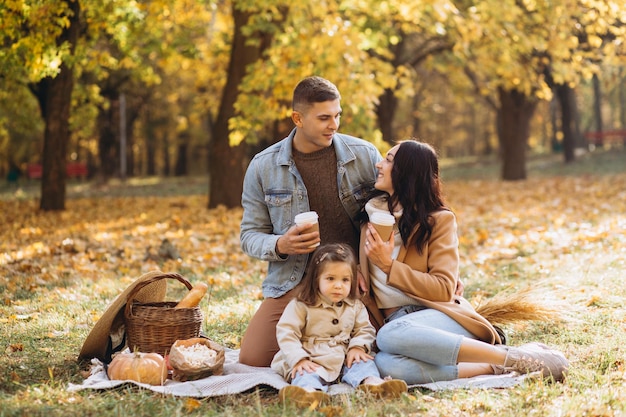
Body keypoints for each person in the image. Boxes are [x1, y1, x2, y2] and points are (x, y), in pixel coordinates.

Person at [359, 139, 569, 385]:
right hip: (397, 325)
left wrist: (388, 266)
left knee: (388, 337)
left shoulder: (439, 221)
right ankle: (492, 367)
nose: (378, 164)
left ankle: (511, 358)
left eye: (388, 160)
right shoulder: (369, 218)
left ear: (407, 172)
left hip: (438, 316)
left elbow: (443, 289)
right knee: (386, 364)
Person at [239, 76, 382, 367]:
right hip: (298, 279)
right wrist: (281, 244)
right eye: (324, 118)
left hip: (356, 279)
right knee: (253, 357)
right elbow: (249, 235)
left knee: (393, 343)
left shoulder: (364, 156)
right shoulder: (263, 166)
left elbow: (403, 212)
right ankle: (322, 346)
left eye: (337, 115)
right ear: (298, 118)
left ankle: (331, 348)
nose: (334, 125)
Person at [271, 243, 407, 408]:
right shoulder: (302, 305)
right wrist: (299, 359)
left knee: (363, 362)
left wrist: (357, 347)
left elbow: (364, 329)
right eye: (330, 279)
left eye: (345, 280)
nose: (338, 285)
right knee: (306, 373)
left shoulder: (355, 305)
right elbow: (287, 332)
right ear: (316, 279)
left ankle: (373, 384)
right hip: (312, 357)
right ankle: (308, 393)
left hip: (344, 356)